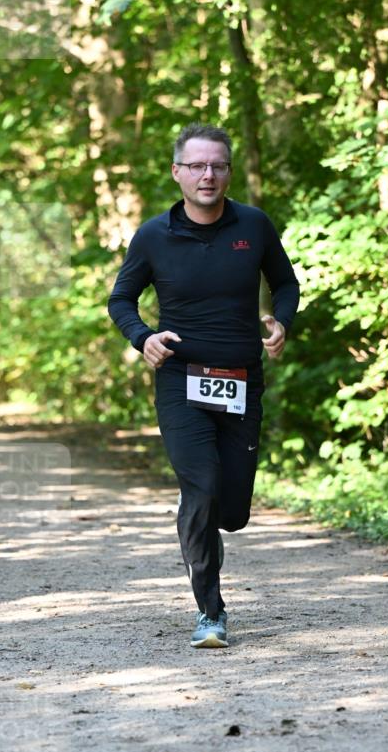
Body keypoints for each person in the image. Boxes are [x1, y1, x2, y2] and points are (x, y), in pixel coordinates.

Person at [108, 123, 300, 648]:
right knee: (202, 487)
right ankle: (210, 613)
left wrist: (281, 320)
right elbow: (121, 300)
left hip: (241, 381)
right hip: (181, 380)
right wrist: (142, 338)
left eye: (217, 165)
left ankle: (199, 514)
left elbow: (285, 282)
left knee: (232, 511)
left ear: (228, 171)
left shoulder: (254, 226)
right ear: (178, 173)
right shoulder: (153, 236)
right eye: (196, 166)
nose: (207, 175)